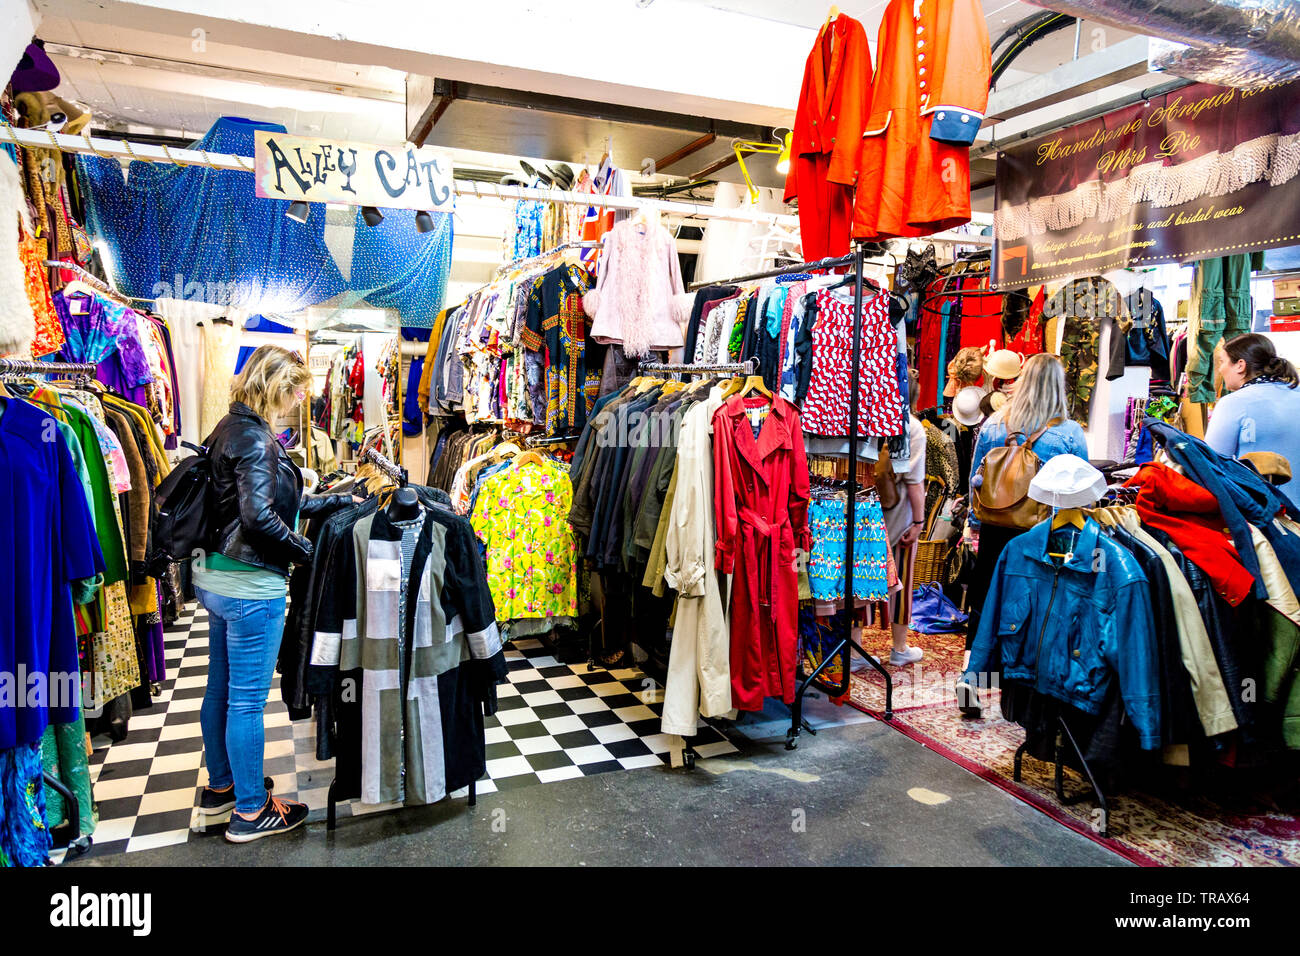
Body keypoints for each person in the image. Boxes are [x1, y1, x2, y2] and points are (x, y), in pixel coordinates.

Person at [193, 345, 352, 842]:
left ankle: (223, 787)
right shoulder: (258, 438)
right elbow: (259, 517)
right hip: (250, 582)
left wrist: (331, 503)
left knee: (220, 689)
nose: (300, 398)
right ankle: (250, 811)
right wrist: (305, 550)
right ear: (277, 384)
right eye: (296, 389)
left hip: (217, 575)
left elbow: (261, 500)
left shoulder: (230, 427)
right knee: (246, 702)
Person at [958, 353, 1089, 707]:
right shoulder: (1069, 433)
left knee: (986, 603)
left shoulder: (994, 424)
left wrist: (974, 524)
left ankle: (972, 681)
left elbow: (976, 478)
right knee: (1038, 608)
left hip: (996, 526)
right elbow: (1080, 492)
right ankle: (1024, 694)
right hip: (1046, 533)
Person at [1204, 333, 1300, 487]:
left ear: (1240, 365)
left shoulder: (1233, 403)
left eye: (1222, 362)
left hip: (1266, 501)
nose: (1220, 369)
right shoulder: (1296, 392)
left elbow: (1213, 466)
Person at [880, 370, 927, 665]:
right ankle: (899, 647)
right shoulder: (912, 426)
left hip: (868, 512)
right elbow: (914, 482)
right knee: (901, 579)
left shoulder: (871, 417)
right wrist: (919, 522)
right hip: (899, 516)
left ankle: (855, 648)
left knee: (862, 578)